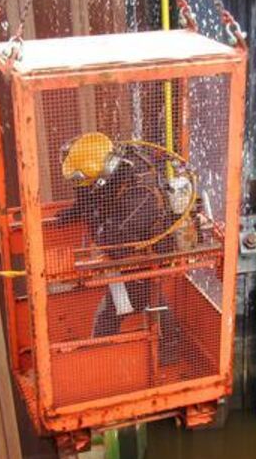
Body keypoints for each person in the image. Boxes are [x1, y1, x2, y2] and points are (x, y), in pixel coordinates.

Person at [57, 132, 184, 362]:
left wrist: (88, 215)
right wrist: (76, 211)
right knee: (146, 297)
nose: (84, 190)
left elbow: (110, 242)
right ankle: (170, 347)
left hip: (148, 253)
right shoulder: (119, 163)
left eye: (87, 185)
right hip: (134, 244)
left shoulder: (139, 199)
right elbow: (95, 197)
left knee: (119, 306)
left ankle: (100, 359)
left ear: (102, 176)